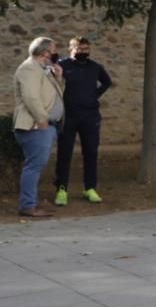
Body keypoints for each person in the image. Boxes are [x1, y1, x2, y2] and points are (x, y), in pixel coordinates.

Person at [53, 36, 112, 206]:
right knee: (64, 153)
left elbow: (107, 82)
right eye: (80, 49)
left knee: (91, 152)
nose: (83, 52)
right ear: (71, 49)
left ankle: (90, 188)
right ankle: (62, 189)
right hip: (69, 116)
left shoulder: (95, 67)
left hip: (90, 116)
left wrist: (94, 95)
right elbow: (52, 81)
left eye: (86, 49)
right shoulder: (63, 65)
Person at [13, 37, 64, 217]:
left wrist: (58, 78)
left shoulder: (43, 69)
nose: (55, 54)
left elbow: (52, 96)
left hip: (46, 126)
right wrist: (42, 120)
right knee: (33, 166)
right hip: (35, 126)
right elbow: (31, 97)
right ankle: (28, 206)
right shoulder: (29, 69)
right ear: (44, 52)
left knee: (36, 165)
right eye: (53, 50)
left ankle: (30, 203)